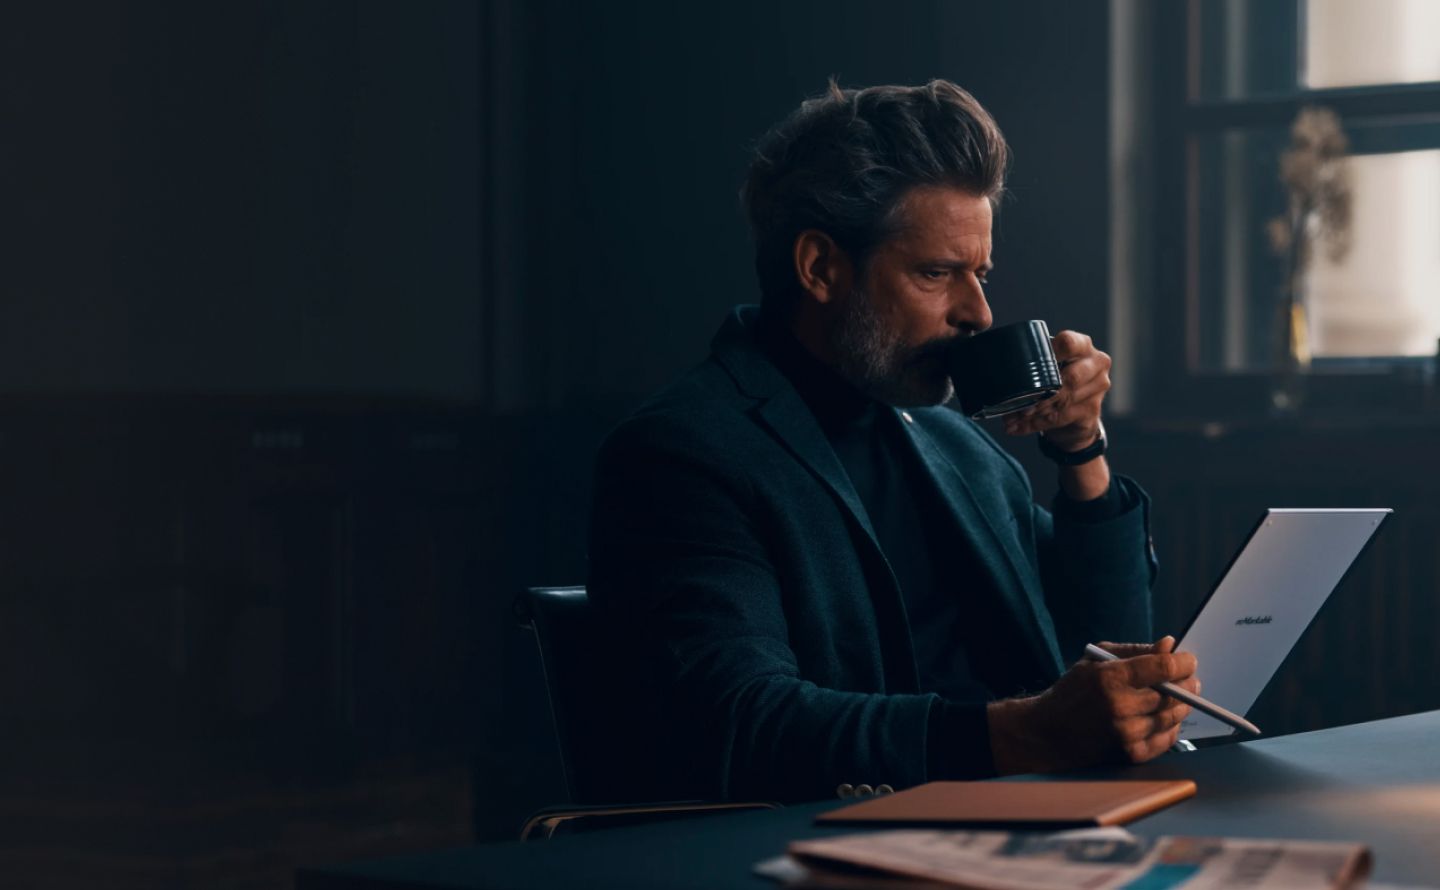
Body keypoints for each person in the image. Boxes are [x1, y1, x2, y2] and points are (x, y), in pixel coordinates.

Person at [586, 80, 1199, 804]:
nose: (979, 313)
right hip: (836, 848)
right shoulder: (686, 454)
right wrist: (1024, 734)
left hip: (1036, 819)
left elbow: (1102, 641)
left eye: (981, 274)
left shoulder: (954, 443)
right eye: (936, 274)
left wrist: (1081, 453)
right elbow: (738, 724)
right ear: (820, 268)